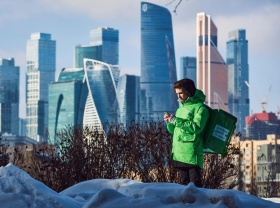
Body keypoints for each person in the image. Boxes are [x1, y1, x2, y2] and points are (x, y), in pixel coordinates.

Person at [163, 78, 209, 187]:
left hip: (191, 153)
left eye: (181, 93)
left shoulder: (200, 108)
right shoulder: (180, 109)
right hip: (179, 153)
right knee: (183, 185)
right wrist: (169, 122)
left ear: (189, 91)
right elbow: (174, 131)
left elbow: (196, 127)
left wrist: (175, 120)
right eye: (177, 94)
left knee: (195, 185)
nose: (178, 96)